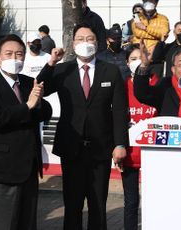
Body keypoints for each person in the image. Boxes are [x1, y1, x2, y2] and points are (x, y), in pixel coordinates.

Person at [37, 23, 128, 230]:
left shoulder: (111, 71)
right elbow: (39, 87)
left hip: (101, 149)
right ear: (72, 43)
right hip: (71, 147)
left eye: (90, 39)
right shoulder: (62, 69)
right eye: (80, 39)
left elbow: (121, 111)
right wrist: (51, 62)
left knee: (98, 204)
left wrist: (120, 143)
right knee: (72, 204)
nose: (85, 43)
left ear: (98, 43)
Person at [0, 34, 52, 230]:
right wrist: (27, 106)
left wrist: (38, 102)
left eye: (19, 54)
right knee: (2, 224)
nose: (15, 59)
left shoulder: (28, 82)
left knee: (27, 224)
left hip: (28, 169)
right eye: (9, 54)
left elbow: (44, 112)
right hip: (2, 171)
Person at [122, 43, 158, 230]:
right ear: (127, 63)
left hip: (154, 154)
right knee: (131, 202)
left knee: (154, 201)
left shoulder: (158, 85)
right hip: (129, 155)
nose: (137, 62)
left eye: (140, 58)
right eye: (133, 59)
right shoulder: (121, 88)